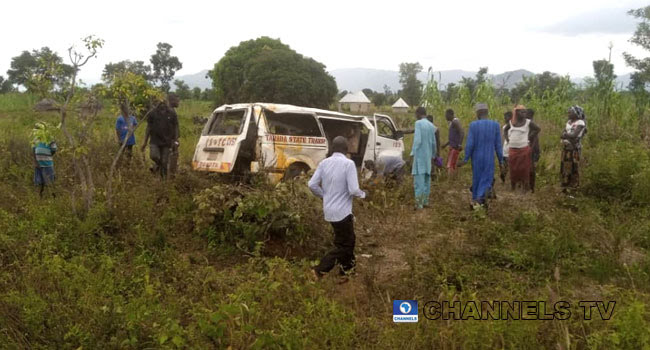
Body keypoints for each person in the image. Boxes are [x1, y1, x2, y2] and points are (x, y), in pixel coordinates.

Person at [308, 136, 366, 282]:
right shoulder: (349, 164)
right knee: (345, 245)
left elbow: (312, 185)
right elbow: (353, 190)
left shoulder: (324, 163)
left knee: (347, 240)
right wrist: (364, 194)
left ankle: (347, 272)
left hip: (329, 210)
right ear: (346, 149)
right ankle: (319, 270)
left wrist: (325, 196)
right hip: (342, 212)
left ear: (332, 148)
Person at [458, 103, 504, 209]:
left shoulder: (473, 125)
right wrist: (501, 160)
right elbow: (498, 145)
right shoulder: (495, 125)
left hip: (476, 158)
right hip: (489, 158)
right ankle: (480, 201)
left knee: (477, 178)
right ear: (487, 113)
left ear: (478, 113)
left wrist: (465, 159)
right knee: (487, 179)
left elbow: (470, 144)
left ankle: (477, 201)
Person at [141, 94, 180, 179]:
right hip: (154, 141)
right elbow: (148, 127)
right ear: (156, 103)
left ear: (166, 102)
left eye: (163, 101)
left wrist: (176, 140)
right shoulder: (152, 113)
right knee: (154, 156)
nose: (162, 103)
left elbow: (176, 127)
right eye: (159, 101)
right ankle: (158, 165)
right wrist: (145, 142)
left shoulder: (172, 113)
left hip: (167, 142)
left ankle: (163, 181)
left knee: (165, 161)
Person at [503, 105, 540, 191]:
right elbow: (505, 130)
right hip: (512, 149)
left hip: (523, 149)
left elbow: (538, 129)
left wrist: (529, 137)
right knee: (513, 169)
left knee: (524, 169)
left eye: (525, 112)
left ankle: (525, 187)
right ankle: (513, 187)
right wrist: (507, 138)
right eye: (521, 112)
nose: (524, 113)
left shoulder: (528, 122)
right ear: (516, 113)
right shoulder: (512, 122)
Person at [412, 107, 437, 209]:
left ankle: (419, 204)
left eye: (415, 114)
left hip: (419, 157)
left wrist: (412, 153)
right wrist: (433, 156)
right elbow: (433, 143)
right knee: (427, 180)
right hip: (428, 157)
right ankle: (425, 201)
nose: (415, 116)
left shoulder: (418, 124)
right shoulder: (431, 126)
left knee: (419, 181)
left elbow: (417, 140)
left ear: (418, 113)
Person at [560, 106, 587, 193]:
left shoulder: (580, 122)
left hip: (574, 148)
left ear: (576, 113)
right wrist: (567, 135)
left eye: (570, 112)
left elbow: (574, 135)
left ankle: (573, 188)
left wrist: (566, 135)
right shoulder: (569, 122)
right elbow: (563, 134)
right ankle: (565, 186)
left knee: (574, 168)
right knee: (565, 167)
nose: (568, 113)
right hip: (566, 148)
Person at [31, 122, 58, 198]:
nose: (36, 131)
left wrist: (48, 155)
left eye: (38, 129)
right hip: (38, 164)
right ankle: (39, 198)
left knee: (49, 181)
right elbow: (33, 150)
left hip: (47, 164)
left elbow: (54, 149)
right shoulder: (35, 139)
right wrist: (35, 162)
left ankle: (53, 197)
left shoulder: (49, 137)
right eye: (35, 130)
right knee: (39, 182)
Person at [441, 109, 464, 177]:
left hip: (454, 148)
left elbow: (462, 132)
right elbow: (453, 138)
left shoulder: (455, 122)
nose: (445, 117)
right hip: (453, 147)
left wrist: (459, 144)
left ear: (450, 114)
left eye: (446, 115)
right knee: (452, 165)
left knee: (450, 165)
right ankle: (453, 178)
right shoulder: (453, 122)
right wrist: (445, 145)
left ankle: (450, 180)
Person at [526, 108, 541, 192]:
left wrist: (531, 149)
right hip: (531, 149)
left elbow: (535, 139)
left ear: (530, 115)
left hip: (533, 150)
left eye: (526, 113)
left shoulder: (531, 124)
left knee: (531, 169)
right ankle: (530, 186)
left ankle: (532, 187)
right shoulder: (528, 123)